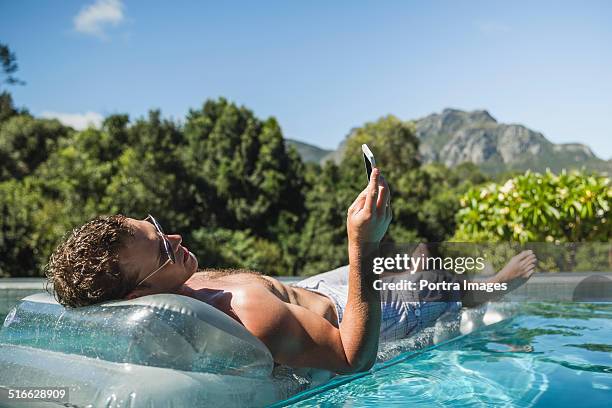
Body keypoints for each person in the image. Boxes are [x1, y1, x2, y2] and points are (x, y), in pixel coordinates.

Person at [45, 168, 537, 374]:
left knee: (418, 253)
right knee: (428, 264)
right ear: (137, 296)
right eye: (162, 251)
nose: (174, 238)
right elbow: (352, 358)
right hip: (350, 316)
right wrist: (360, 243)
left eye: (155, 226)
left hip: (310, 289)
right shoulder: (245, 315)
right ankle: (490, 290)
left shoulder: (179, 285)